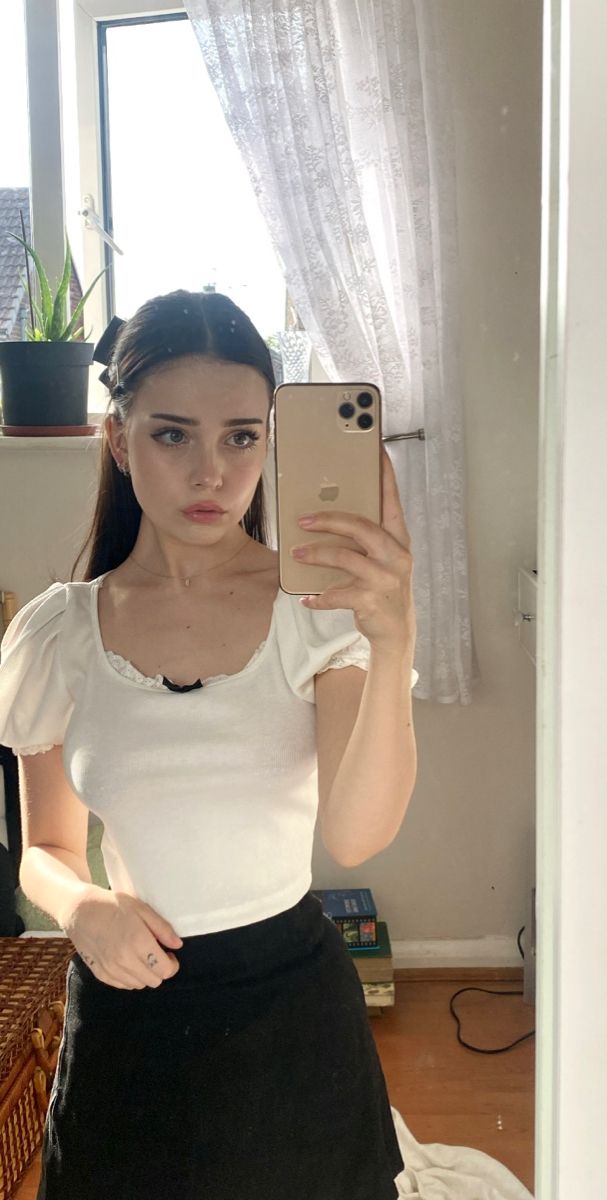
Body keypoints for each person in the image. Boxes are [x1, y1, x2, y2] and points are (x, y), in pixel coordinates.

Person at [0, 289, 419, 1199]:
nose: (212, 474)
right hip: (126, 1007)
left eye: (240, 437)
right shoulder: (59, 632)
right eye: (172, 435)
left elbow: (356, 836)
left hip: (290, 1015)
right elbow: (43, 850)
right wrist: (83, 909)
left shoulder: (317, 615)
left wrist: (393, 643)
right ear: (119, 441)